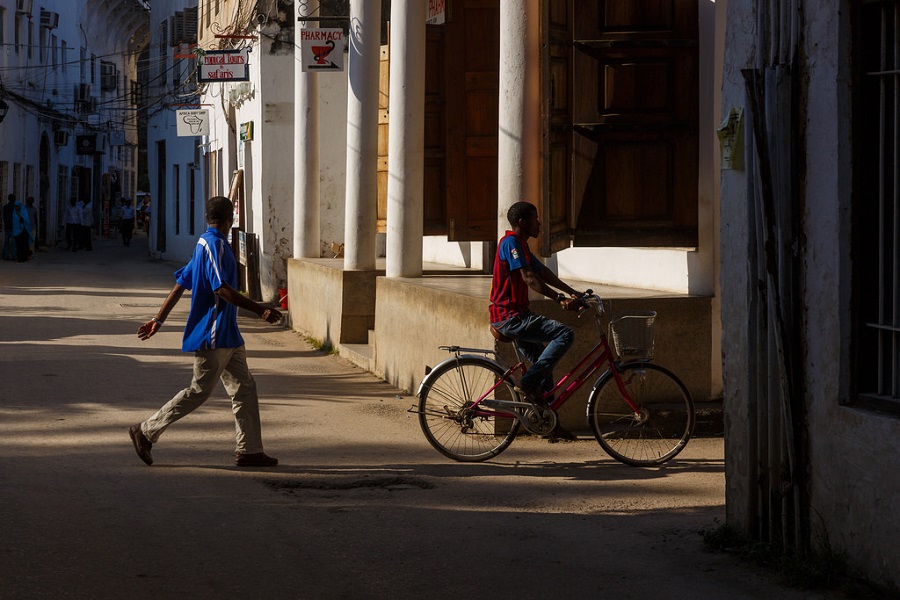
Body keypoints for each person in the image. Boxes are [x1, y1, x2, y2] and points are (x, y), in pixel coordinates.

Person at [129, 196, 282, 468]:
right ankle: (146, 431)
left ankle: (249, 450)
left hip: (229, 335)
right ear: (230, 220)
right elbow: (221, 289)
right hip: (213, 333)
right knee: (199, 390)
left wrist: (158, 319)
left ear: (207, 218)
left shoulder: (206, 243)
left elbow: (180, 284)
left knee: (245, 388)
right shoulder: (213, 246)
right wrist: (261, 310)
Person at [489, 201, 583, 407]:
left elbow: (543, 272)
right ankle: (528, 383)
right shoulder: (510, 243)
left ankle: (549, 422)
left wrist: (573, 292)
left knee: (544, 365)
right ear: (522, 222)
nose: (539, 224)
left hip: (516, 315)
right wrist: (559, 299)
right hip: (510, 317)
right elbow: (529, 277)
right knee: (565, 334)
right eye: (535, 219)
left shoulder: (520, 245)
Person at [11, 197, 33, 262]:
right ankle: (19, 258)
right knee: (18, 246)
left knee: (24, 245)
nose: (16, 208)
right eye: (15, 206)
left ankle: (24, 257)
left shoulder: (24, 212)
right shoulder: (14, 213)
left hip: (24, 231)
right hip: (17, 232)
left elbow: (26, 221)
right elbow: (14, 222)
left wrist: (20, 215)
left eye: (17, 206)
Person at [3, 194, 17, 260]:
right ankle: (13, 255)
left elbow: (4, 217)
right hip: (14, 226)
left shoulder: (5, 207)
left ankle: (6, 255)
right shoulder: (16, 207)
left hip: (7, 226)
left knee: (6, 241)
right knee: (13, 242)